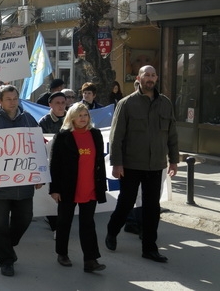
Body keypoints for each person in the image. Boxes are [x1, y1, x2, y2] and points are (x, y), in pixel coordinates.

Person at [105, 65, 179, 263]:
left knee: (152, 207)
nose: (150, 78)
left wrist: (174, 160)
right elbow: (116, 136)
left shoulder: (165, 103)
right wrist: (117, 163)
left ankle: (149, 248)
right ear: (139, 77)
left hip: (156, 165)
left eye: (153, 75)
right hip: (131, 164)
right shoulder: (126, 103)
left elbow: (172, 134)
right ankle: (112, 231)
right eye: (147, 75)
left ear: (156, 78)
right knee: (126, 203)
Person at [0, 84, 43, 277]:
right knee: (0, 224)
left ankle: (7, 243)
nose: (13, 102)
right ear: (0, 101)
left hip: (23, 183)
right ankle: (6, 260)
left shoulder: (28, 119)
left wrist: (38, 175)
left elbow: (37, 148)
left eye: (15, 98)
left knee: (25, 217)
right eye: (8, 99)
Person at [49, 103, 107, 272]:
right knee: (64, 222)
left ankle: (91, 260)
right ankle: (62, 253)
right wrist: (54, 189)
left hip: (90, 187)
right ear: (72, 117)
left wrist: (100, 186)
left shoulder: (95, 135)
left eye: (85, 115)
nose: (83, 118)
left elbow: (99, 163)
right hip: (68, 187)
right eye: (79, 115)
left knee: (88, 224)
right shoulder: (63, 136)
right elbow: (55, 165)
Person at [38, 92, 67, 238]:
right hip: (50, 165)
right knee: (51, 196)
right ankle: (55, 225)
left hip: (68, 165)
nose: (61, 106)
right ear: (50, 105)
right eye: (57, 103)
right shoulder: (44, 122)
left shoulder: (71, 119)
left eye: (63, 102)